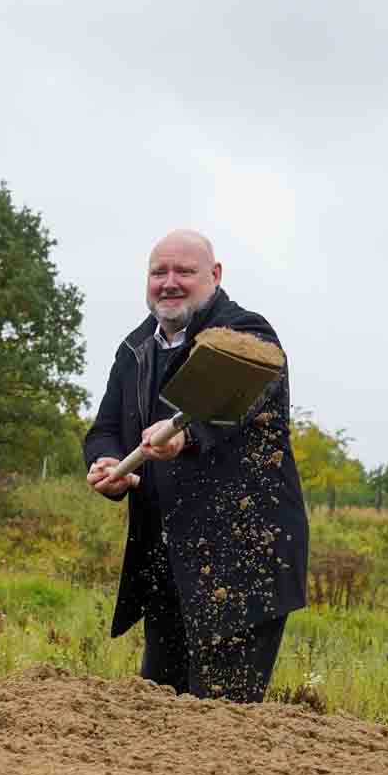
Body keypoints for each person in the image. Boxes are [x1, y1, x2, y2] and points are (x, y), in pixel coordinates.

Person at [82, 229, 308, 702]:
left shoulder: (246, 336)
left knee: (221, 717)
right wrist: (107, 464)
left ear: (215, 275)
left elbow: (232, 409)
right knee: (161, 708)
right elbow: (105, 428)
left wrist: (184, 437)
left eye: (184, 272)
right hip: (167, 563)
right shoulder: (135, 348)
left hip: (239, 564)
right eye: (159, 272)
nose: (170, 283)